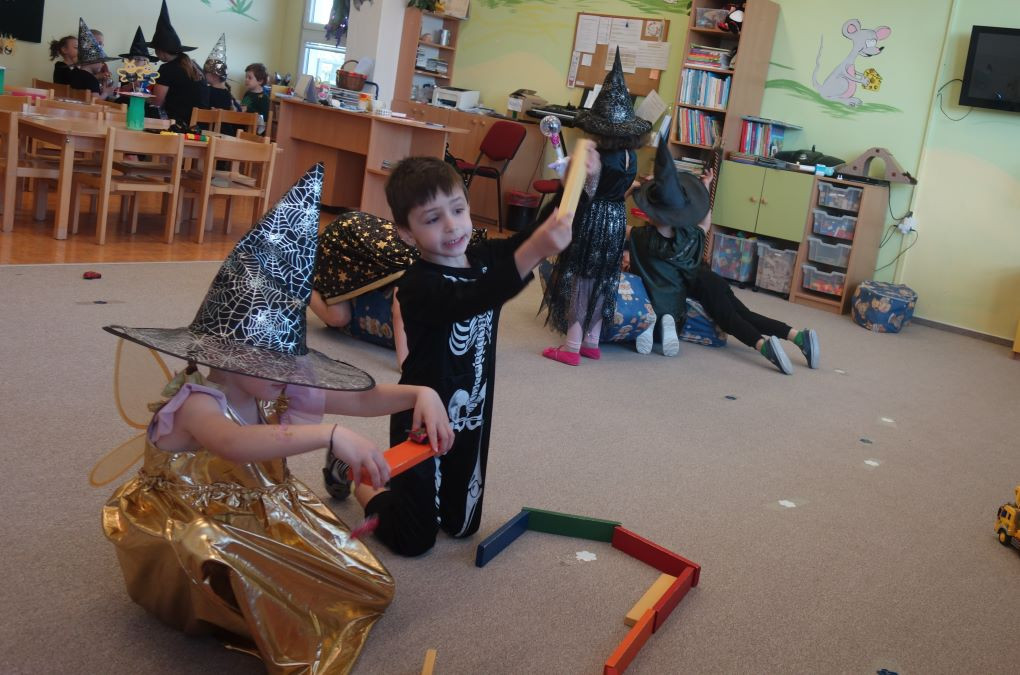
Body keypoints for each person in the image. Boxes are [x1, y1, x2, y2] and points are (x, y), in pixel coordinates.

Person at [101, 165, 454, 672]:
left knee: (363, 584)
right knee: (225, 559)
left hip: (257, 504)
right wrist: (329, 434)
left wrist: (421, 393)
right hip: (187, 524)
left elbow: (359, 399)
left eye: (288, 364)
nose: (284, 376)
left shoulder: (274, 384)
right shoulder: (199, 401)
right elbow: (233, 444)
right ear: (223, 353)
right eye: (270, 365)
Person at [323, 155, 583, 557]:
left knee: (462, 525)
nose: (452, 226)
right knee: (414, 539)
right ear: (406, 232)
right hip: (421, 415)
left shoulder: (482, 258)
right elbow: (474, 297)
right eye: (432, 219)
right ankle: (356, 472)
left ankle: (395, 481)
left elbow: (534, 234)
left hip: (472, 410)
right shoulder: (417, 286)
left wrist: (574, 187)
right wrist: (535, 251)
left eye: (458, 210)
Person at [626, 141, 820, 374]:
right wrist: (705, 187)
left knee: (730, 319)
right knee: (744, 314)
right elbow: (704, 221)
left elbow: (619, 223)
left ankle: (763, 345)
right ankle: (797, 336)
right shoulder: (691, 235)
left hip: (702, 285)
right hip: (711, 278)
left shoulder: (644, 239)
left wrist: (631, 189)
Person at [540, 48, 651, 366]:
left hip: (593, 219)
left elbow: (581, 191)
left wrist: (567, 169)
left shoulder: (594, 155)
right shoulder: (632, 156)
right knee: (604, 277)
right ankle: (592, 340)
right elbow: (621, 189)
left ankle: (572, 346)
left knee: (581, 276)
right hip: (616, 218)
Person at [148, 0, 208, 127]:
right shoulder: (194, 66)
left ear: (161, 51)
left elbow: (156, 102)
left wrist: (140, 97)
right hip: (199, 127)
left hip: (178, 125)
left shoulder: (167, 69)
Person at [66, 18, 117, 100]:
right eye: (100, 61)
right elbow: (95, 102)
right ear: (92, 61)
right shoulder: (91, 79)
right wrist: (106, 93)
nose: (102, 64)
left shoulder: (73, 72)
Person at [241, 62, 271, 126]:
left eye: (249, 78)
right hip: (243, 123)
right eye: (246, 77)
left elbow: (264, 118)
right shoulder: (248, 94)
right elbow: (243, 107)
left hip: (254, 128)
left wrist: (248, 109)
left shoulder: (264, 98)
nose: (246, 80)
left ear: (260, 81)